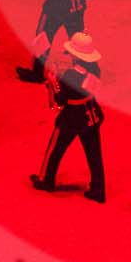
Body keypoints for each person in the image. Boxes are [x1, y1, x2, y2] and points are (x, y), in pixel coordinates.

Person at [31, 32, 105, 201]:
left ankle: (46, 180)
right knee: (94, 154)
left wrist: (53, 82)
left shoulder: (71, 75)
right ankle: (98, 189)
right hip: (91, 112)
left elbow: (60, 100)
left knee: (55, 149)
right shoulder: (95, 68)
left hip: (73, 117)